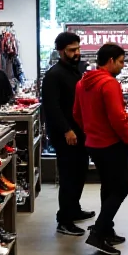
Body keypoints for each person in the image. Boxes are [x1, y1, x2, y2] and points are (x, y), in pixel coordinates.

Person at [73, 43, 128, 255]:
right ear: (110, 61)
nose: (123, 66)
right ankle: (98, 232)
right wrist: (127, 138)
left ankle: (106, 229)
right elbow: (117, 117)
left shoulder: (82, 83)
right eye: (121, 62)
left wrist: (90, 131)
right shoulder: (109, 84)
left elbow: (76, 113)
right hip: (112, 144)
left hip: (93, 144)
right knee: (120, 190)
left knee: (108, 186)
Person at [41, 32, 94, 237]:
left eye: (78, 49)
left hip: (79, 131)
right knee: (69, 176)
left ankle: (73, 209)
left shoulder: (75, 71)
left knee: (80, 172)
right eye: (72, 50)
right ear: (61, 51)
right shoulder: (54, 75)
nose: (77, 53)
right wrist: (66, 130)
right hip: (66, 134)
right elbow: (51, 107)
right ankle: (64, 219)